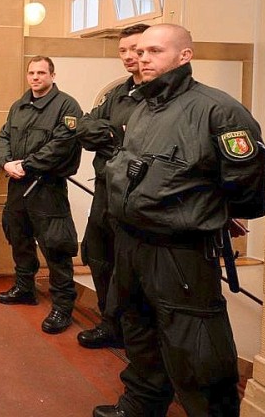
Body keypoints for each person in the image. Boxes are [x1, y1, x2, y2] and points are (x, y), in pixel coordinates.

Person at [94, 24, 265, 417]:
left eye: (154, 51)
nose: (142, 58)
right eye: (140, 52)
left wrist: (214, 211)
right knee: (138, 327)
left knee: (194, 343)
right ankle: (142, 402)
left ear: (184, 56)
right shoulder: (142, 106)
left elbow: (246, 182)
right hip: (132, 240)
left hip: (179, 250)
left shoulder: (217, 109)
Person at [0, 56, 83, 335]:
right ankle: (25, 288)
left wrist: (26, 164)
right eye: (31, 72)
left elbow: (62, 145)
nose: (35, 77)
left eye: (41, 72)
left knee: (55, 247)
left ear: (52, 75)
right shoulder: (18, 105)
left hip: (48, 188)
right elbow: (3, 138)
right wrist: (6, 162)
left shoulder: (66, 106)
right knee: (19, 239)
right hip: (18, 186)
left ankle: (62, 306)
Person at [75, 23, 148, 349]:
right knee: (95, 253)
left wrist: (114, 136)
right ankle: (109, 323)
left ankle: (132, 332)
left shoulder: (158, 98)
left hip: (133, 195)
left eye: (136, 49)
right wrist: (113, 133)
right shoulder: (119, 92)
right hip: (104, 188)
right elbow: (85, 127)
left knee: (127, 266)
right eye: (123, 50)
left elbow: (141, 146)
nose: (129, 56)